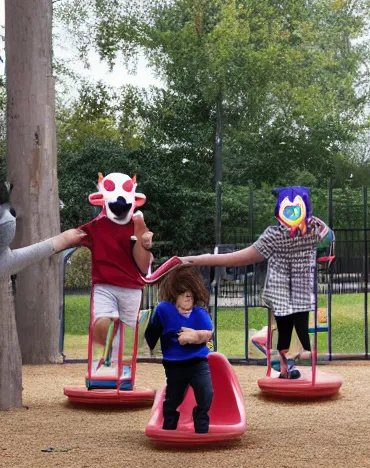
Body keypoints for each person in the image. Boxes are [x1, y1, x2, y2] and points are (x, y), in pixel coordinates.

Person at [180, 186, 331, 379]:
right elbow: (328, 236)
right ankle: (284, 361)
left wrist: (192, 259)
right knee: (287, 327)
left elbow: (235, 258)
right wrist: (192, 260)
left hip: (288, 293)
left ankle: (286, 361)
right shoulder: (307, 231)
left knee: (289, 327)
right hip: (288, 293)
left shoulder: (295, 232)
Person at [78, 172, 154, 370]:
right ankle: (100, 363)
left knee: (128, 333)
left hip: (132, 286)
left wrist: (144, 241)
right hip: (105, 285)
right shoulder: (95, 227)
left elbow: (144, 265)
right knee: (102, 321)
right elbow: (76, 235)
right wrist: (54, 244)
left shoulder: (137, 224)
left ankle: (124, 371)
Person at [145, 264, 214, 433]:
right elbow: (150, 335)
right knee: (174, 397)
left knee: (206, 392)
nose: (187, 295)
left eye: (191, 291)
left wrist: (196, 336)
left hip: (198, 361)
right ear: (174, 293)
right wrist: (145, 346)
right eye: (183, 291)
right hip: (174, 364)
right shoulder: (164, 310)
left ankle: (201, 418)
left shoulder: (200, 313)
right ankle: (169, 418)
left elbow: (209, 333)